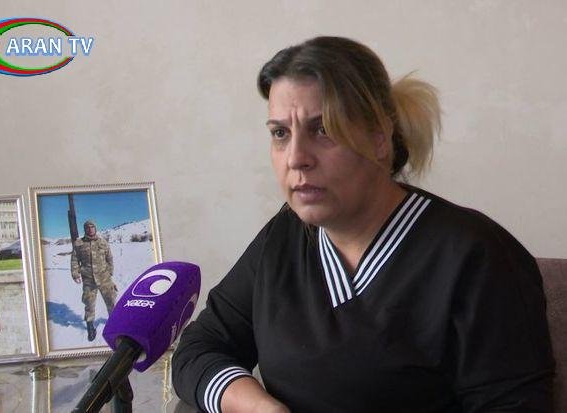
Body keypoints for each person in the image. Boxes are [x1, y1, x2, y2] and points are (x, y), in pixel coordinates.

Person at [171, 36, 555, 413]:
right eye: (280, 133)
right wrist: (257, 407)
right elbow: (199, 349)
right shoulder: (285, 236)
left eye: (322, 129)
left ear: (379, 138)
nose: (296, 158)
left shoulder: (477, 256)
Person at [71, 220, 116, 341]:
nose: (90, 229)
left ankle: (114, 323)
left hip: (104, 278)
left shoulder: (103, 242)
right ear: (85, 229)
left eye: (92, 227)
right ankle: (90, 327)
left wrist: (110, 272)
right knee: (89, 304)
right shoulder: (79, 243)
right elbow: (75, 260)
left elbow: (109, 258)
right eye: (88, 227)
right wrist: (75, 274)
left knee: (111, 302)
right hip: (89, 280)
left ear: (95, 228)